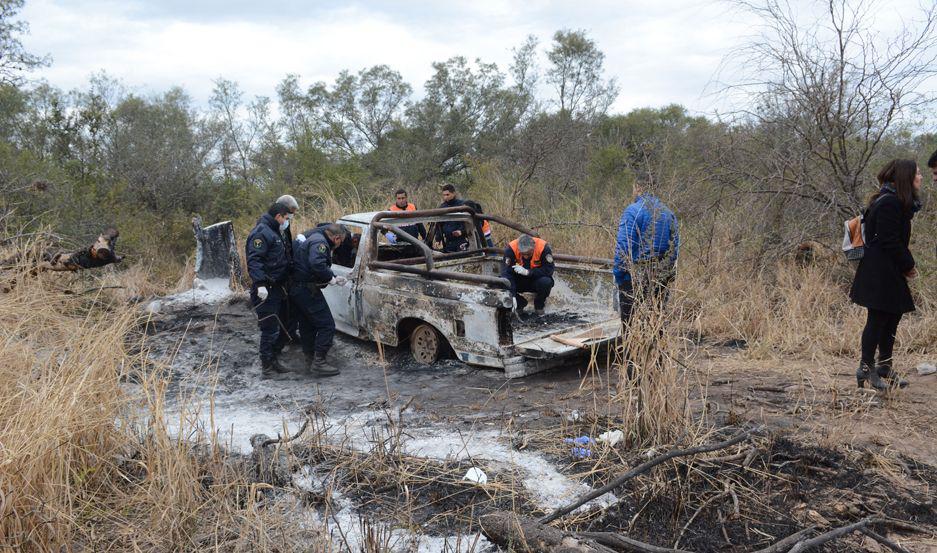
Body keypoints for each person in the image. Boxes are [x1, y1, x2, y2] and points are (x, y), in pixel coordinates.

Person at [850, 159, 922, 390]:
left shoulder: (893, 201)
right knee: (877, 319)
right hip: (879, 273)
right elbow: (889, 241)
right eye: (917, 174)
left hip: (886, 272)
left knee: (892, 317)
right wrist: (908, 265)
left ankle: (884, 366)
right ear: (906, 178)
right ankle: (866, 368)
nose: (920, 177)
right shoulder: (889, 203)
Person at [613, 181, 679, 326]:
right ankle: (655, 347)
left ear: (638, 187)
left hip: (634, 277)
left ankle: (633, 348)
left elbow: (624, 247)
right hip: (661, 277)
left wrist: (619, 276)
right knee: (656, 320)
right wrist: (667, 276)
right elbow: (674, 251)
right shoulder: (669, 213)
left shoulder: (633, 211)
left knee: (630, 325)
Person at [291, 223, 348, 376]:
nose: (340, 244)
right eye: (341, 241)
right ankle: (319, 362)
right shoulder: (320, 243)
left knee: (307, 325)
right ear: (336, 238)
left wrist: (334, 277)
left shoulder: (316, 237)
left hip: (298, 288)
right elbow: (317, 263)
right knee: (327, 325)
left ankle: (309, 360)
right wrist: (331, 279)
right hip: (306, 289)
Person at [246, 202, 293, 377]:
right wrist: (260, 284)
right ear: (278, 216)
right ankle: (267, 366)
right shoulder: (262, 232)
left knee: (278, 327)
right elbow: (254, 260)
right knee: (269, 329)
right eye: (286, 218)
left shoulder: (273, 231)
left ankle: (273, 361)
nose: (286, 221)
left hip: (277, 288)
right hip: (266, 290)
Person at [502, 234, 555, 316]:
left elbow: (549, 270)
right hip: (518, 281)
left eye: (528, 254)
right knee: (500, 283)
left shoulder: (543, 248)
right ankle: (520, 303)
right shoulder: (511, 249)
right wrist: (512, 295)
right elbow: (507, 273)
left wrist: (529, 272)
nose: (526, 257)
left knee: (546, 282)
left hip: (535, 280)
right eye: (523, 254)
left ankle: (539, 306)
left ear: (533, 248)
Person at [276, 195, 301, 344]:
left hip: (286, 270)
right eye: (291, 212)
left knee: (291, 306)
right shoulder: (268, 227)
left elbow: (287, 245)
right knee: (280, 309)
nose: (292, 215)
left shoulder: (285, 224)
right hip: (276, 275)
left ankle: (290, 334)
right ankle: (280, 339)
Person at [436, 183, 469, 252]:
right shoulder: (442, 207)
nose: (445, 197)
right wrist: (438, 239)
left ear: (453, 193)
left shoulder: (462, 205)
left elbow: (469, 222)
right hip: (448, 241)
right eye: (444, 195)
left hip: (462, 239)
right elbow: (439, 225)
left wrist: (461, 231)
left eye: (447, 195)